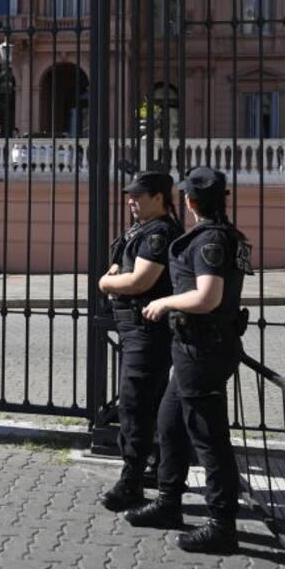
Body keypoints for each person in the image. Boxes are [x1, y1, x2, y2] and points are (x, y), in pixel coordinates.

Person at [126, 166, 252, 555]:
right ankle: (168, 503)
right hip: (192, 349)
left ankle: (221, 525)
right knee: (170, 425)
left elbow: (207, 297)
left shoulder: (211, 239)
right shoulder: (213, 234)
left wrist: (163, 301)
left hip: (204, 349)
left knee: (209, 438)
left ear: (191, 201)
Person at [97, 171, 182, 513]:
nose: (131, 200)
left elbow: (139, 280)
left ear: (159, 197)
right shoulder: (142, 230)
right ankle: (153, 470)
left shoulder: (160, 233)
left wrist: (107, 284)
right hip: (135, 330)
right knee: (144, 403)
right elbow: (121, 265)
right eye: (130, 194)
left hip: (146, 331)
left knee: (135, 407)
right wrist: (116, 277)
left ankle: (130, 482)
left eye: (139, 195)